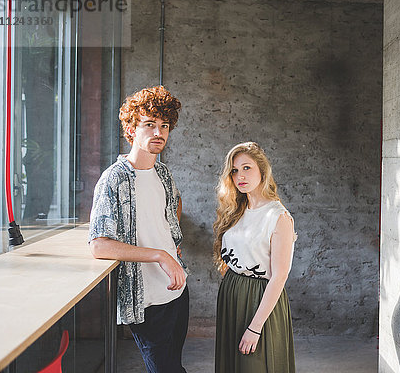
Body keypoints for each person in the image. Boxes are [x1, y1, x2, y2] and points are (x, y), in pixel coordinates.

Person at [88, 85, 189, 373]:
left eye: (164, 125)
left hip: (177, 291)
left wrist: (171, 245)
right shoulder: (113, 179)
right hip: (145, 299)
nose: (159, 133)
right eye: (149, 125)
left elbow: (172, 210)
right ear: (131, 129)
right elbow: (99, 245)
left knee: (174, 367)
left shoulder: (163, 173)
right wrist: (160, 255)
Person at [213, 141, 297, 373]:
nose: (240, 175)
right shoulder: (237, 210)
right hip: (232, 294)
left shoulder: (278, 216)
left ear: (262, 170)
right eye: (235, 170)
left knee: (256, 365)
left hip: (260, 299)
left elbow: (280, 276)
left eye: (247, 168)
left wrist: (255, 327)